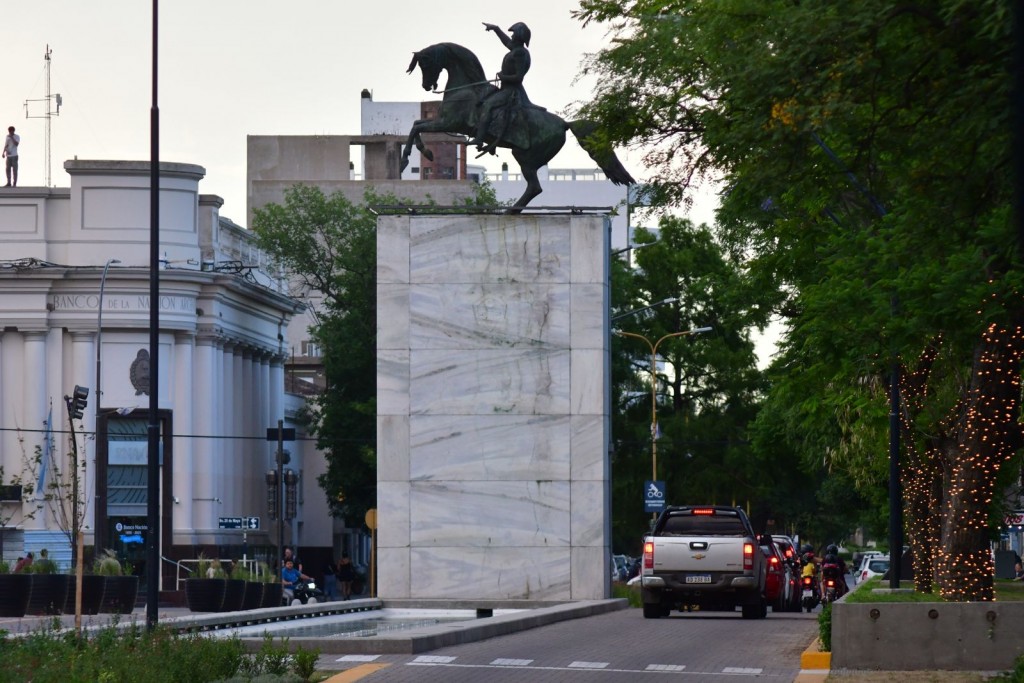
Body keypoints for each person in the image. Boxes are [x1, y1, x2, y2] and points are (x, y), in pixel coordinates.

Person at [467, 22, 533, 156]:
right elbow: (507, 42)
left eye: (514, 33)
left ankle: (480, 139)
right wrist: (496, 29)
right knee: (482, 99)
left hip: (512, 91)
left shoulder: (520, 53)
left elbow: (519, 77)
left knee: (488, 105)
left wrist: (503, 76)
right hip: (505, 89)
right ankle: (490, 137)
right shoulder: (516, 50)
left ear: (519, 36)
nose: (512, 36)